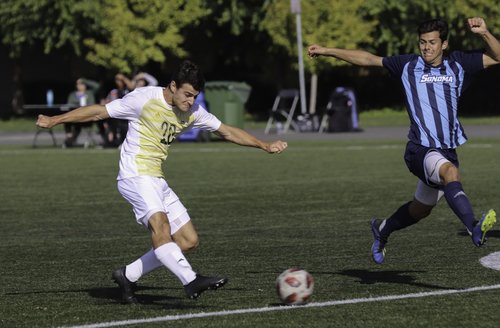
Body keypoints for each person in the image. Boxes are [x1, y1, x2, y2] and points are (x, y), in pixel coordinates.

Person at [36, 60, 288, 303]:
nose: (190, 101)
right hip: (134, 174)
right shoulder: (144, 98)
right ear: (173, 86)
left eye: (194, 96)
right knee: (161, 226)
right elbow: (99, 112)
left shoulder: (193, 111)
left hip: (156, 178)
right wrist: (55, 120)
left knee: (188, 241)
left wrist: (264, 145)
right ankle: (190, 280)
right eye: (187, 94)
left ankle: (128, 274)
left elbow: (227, 131)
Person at [308, 17, 500, 264]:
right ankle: (473, 226)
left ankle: (383, 229)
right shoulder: (408, 65)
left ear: (444, 44)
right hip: (420, 149)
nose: (426, 47)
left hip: (447, 150)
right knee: (450, 174)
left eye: (432, 42)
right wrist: (327, 51)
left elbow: (497, 56)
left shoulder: (460, 64)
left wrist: (484, 33)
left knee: (420, 209)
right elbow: (368, 59)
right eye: (422, 42)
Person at [64, 78, 99, 147]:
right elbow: (69, 104)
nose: (80, 86)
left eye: (82, 84)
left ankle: (108, 140)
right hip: (77, 117)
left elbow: (97, 86)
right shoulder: (73, 95)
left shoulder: (90, 93)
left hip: (89, 118)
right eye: (78, 84)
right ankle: (69, 138)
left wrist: (84, 80)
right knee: (66, 119)